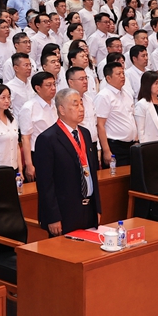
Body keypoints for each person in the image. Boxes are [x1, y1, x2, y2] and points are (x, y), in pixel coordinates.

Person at [34, 88, 100, 236]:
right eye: (75, 105)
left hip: (88, 209)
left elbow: (92, 174)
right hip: (64, 212)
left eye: (81, 104)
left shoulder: (85, 133)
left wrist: (97, 208)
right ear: (61, 109)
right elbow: (45, 183)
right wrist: (53, 216)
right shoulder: (47, 139)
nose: (81, 109)